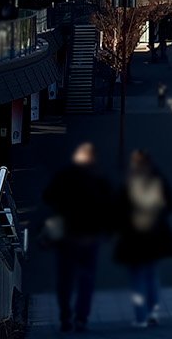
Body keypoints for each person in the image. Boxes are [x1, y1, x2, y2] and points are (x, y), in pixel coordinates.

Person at [43, 142, 113, 333]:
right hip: (90, 236)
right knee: (87, 278)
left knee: (65, 278)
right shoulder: (99, 178)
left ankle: (65, 317)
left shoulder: (65, 175)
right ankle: (81, 318)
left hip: (67, 236)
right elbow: (109, 207)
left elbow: (48, 196)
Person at [114, 150, 172, 327]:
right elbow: (170, 205)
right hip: (154, 236)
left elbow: (119, 210)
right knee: (152, 275)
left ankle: (140, 316)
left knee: (136, 278)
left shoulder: (129, 182)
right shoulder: (158, 180)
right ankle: (153, 313)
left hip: (133, 238)